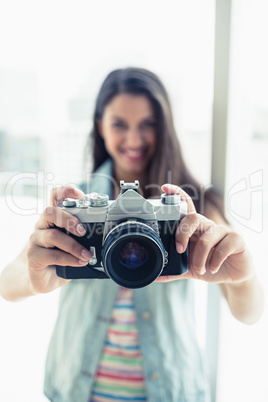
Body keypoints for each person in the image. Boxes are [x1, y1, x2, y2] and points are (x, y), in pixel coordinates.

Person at [0, 67, 264, 402]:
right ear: (100, 126)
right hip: (76, 389)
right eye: (119, 124)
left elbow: (250, 313)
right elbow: (6, 284)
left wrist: (242, 279)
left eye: (147, 124)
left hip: (170, 390)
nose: (134, 139)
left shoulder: (192, 208)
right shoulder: (76, 203)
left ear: (164, 127)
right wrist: (34, 276)